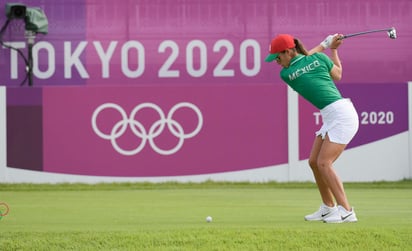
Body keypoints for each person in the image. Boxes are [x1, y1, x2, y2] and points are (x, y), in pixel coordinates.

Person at [265, 34, 359, 223]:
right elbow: (329, 69)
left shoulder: (313, 59)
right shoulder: (288, 72)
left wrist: (329, 48)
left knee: (324, 163)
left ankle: (347, 211)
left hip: (342, 115)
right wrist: (329, 48)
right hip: (332, 115)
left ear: (289, 51)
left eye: (278, 57)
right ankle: (328, 208)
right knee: (314, 162)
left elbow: (337, 75)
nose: (276, 61)